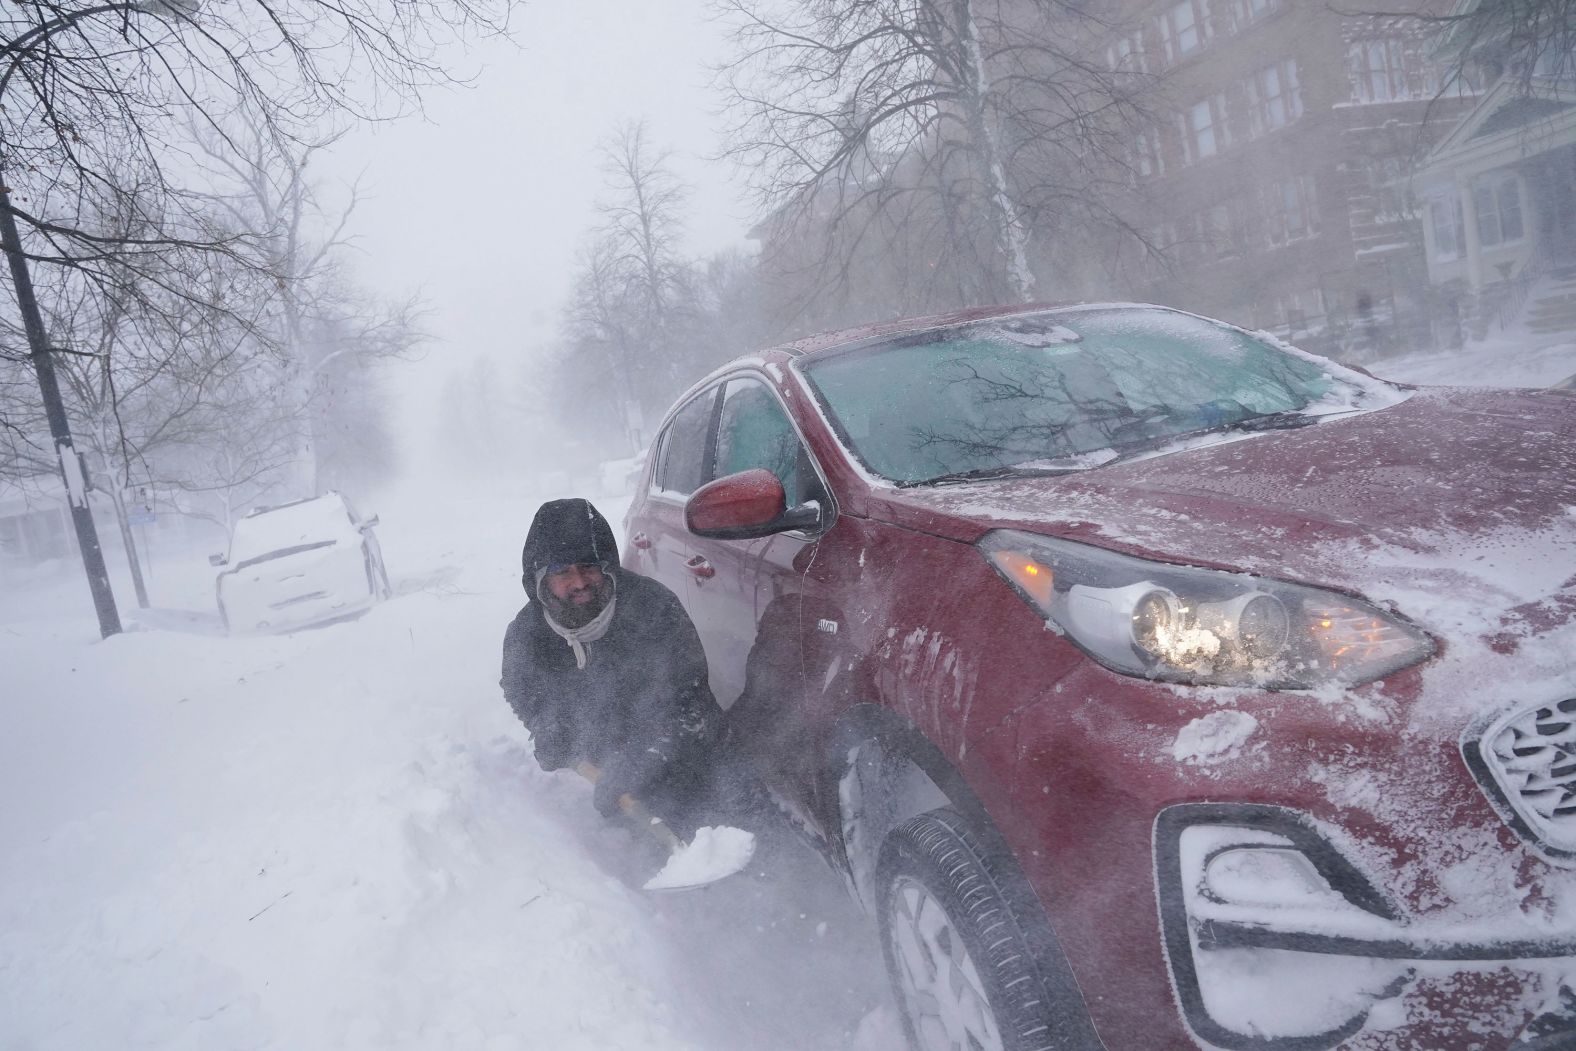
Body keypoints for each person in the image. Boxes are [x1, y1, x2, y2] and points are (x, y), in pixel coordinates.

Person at [500, 497, 725, 838]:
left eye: (589, 566)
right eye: (563, 572)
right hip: (602, 752)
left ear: (607, 567)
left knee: (722, 799)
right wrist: (547, 725)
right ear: (541, 580)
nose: (579, 582)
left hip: (676, 749)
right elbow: (521, 689)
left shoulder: (653, 608)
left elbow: (690, 702)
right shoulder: (528, 634)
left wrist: (641, 761)